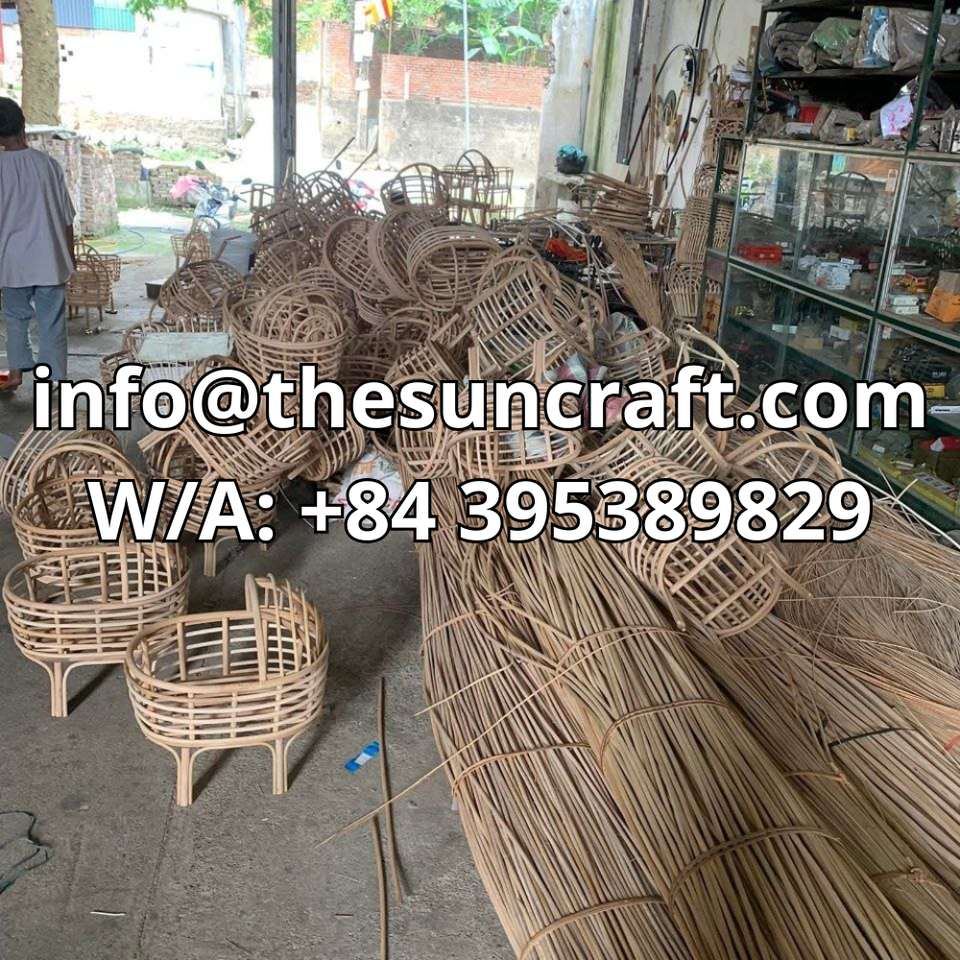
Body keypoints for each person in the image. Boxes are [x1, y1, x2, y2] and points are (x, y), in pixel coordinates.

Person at [0, 97, 76, 393]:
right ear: (23, 125)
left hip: (12, 262)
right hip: (49, 260)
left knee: (15, 317)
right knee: (52, 321)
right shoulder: (48, 165)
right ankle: (54, 379)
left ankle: (16, 374)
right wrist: (70, 257)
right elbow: (66, 217)